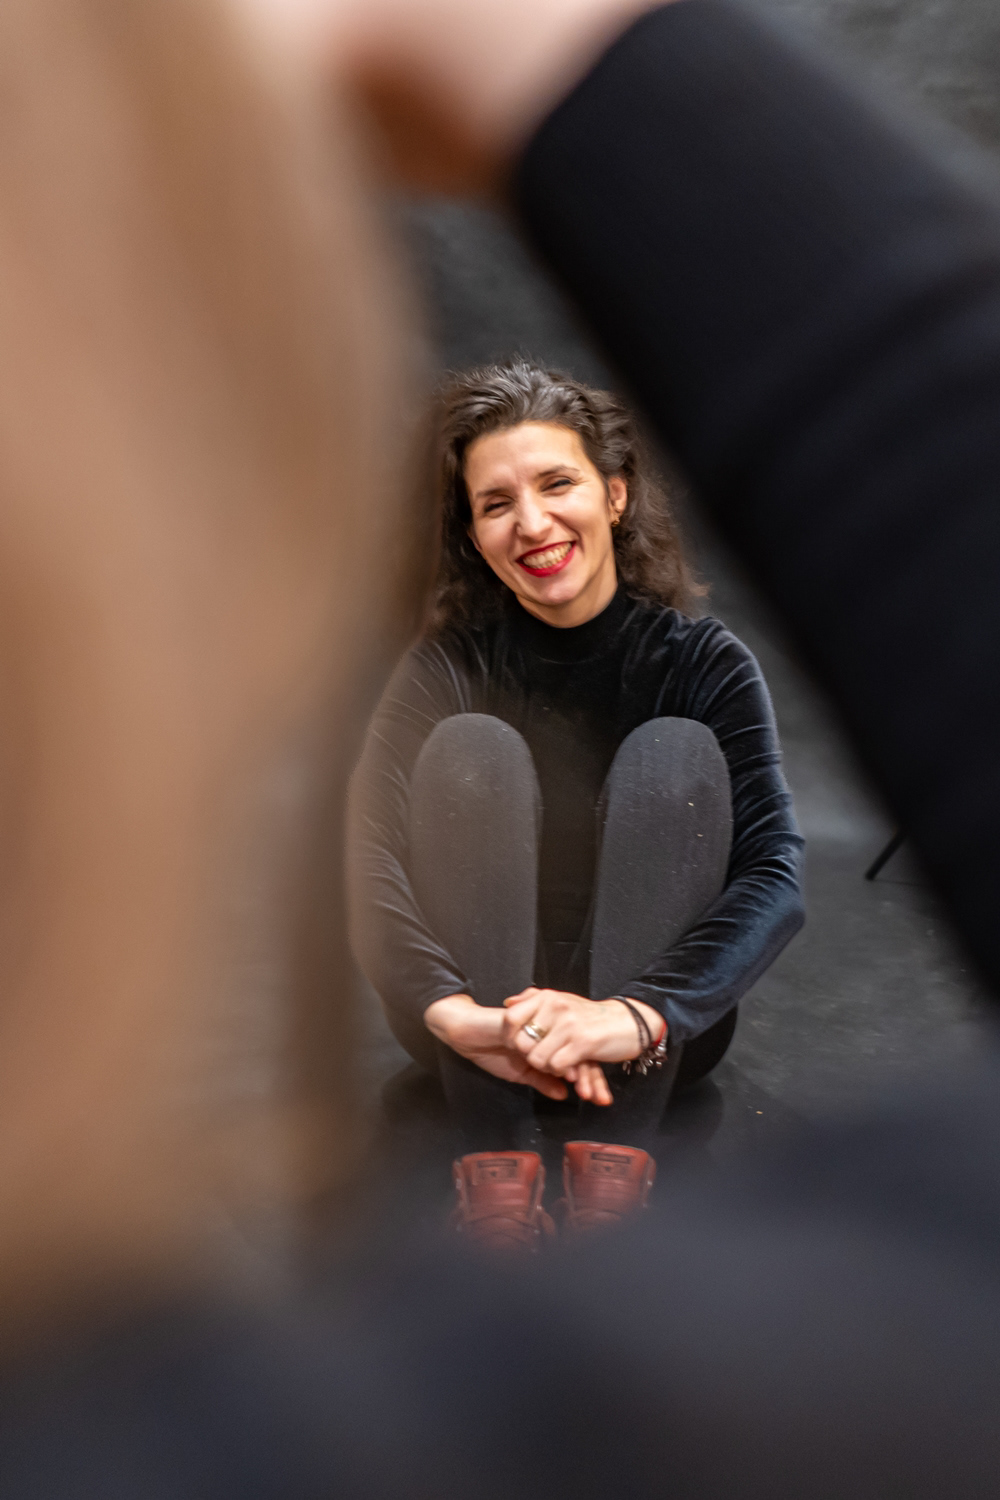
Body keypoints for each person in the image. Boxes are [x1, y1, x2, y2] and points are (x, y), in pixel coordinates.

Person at [348, 360, 803, 1235]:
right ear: (474, 534)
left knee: (673, 756)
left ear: (616, 496)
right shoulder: (449, 665)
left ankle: (610, 1192)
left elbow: (774, 873)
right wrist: (448, 1007)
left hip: (651, 1038)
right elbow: (365, 858)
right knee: (472, 749)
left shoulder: (704, 663)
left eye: (557, 484)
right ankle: (496, 1189)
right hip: (470, 1030)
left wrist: (639, 1014)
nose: (531, 523)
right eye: (496, 503)